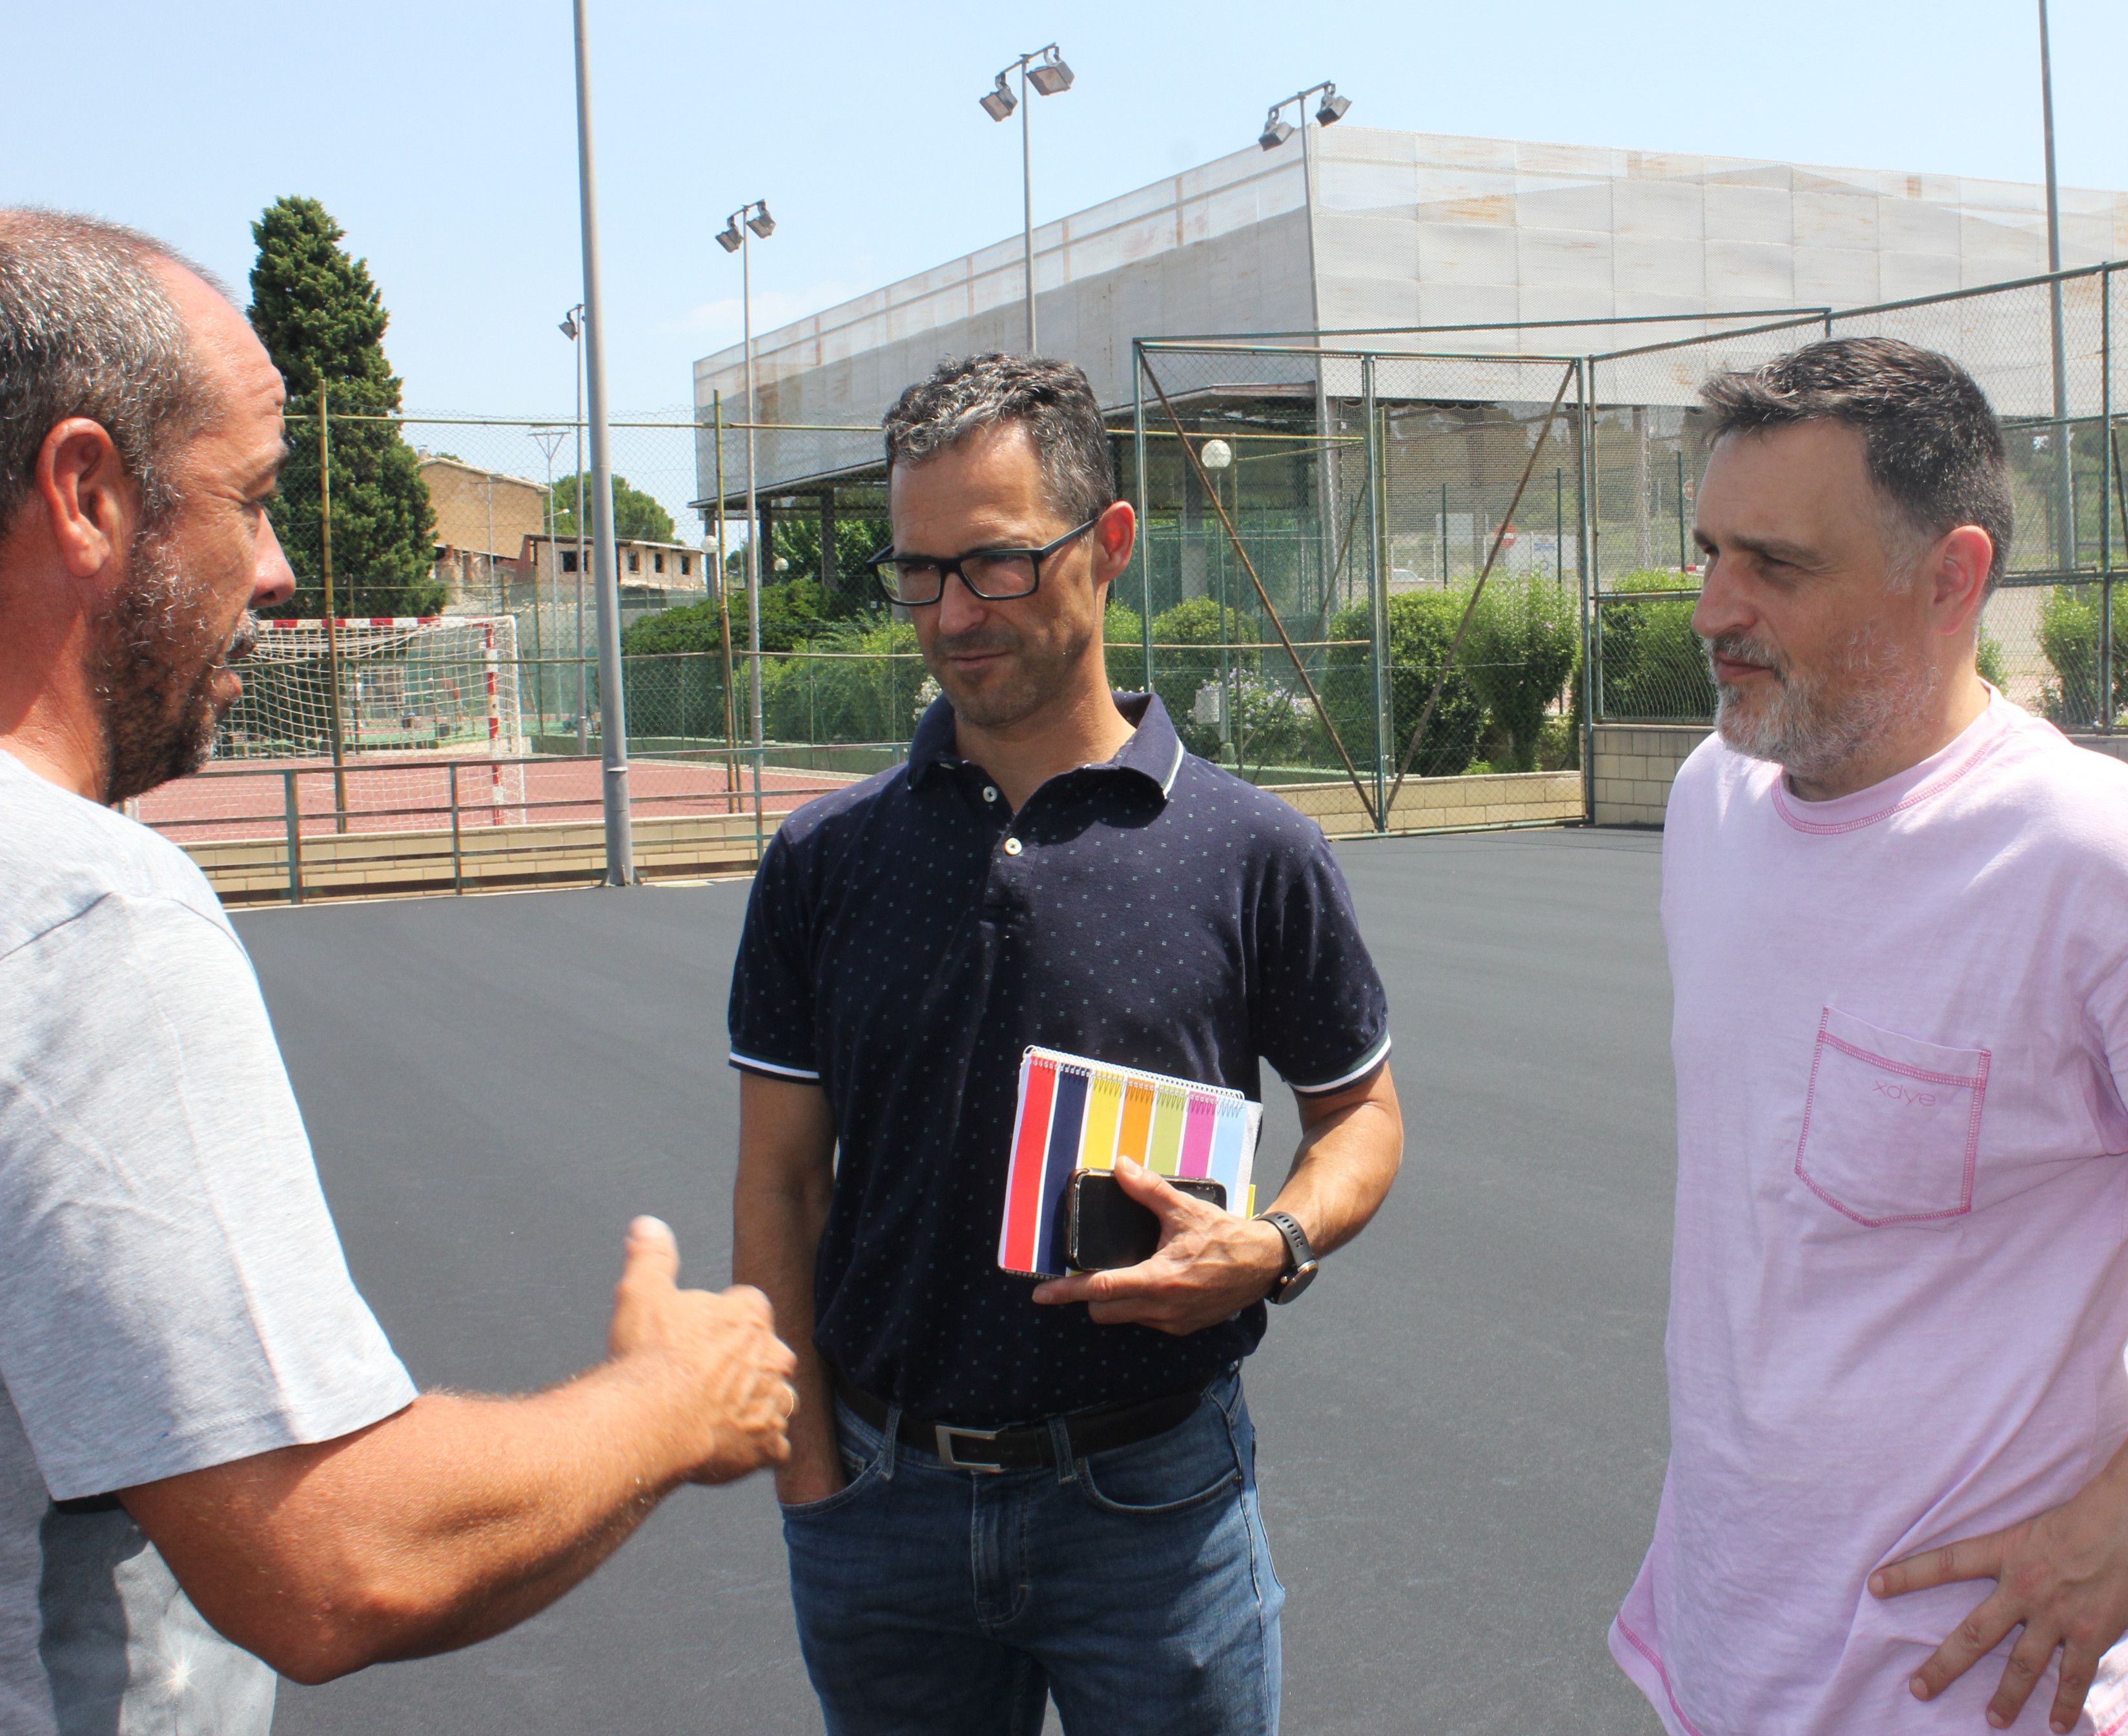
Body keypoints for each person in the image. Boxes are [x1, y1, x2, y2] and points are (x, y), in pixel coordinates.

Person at [0, 209, 799, 1735]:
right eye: (247, 500)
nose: (280, 567)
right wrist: (674, 1401)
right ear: (88, 493)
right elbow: (332, 1553)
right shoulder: (82, 919)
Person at [1609, 337, 2128, 1736]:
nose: (1710, 608)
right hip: (1724, 1648)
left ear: (1951, 579)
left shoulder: (2094, 863)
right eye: (1708, 551)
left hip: (1969, 1693)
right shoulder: (1713, 800)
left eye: (1775, 566)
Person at [729, 352, 1402, 1735]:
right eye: (917, 574)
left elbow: (1364, 1115)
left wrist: (1272, 1243)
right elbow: (781, 1184)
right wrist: (812, 1480)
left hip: (1154, 1505)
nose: (949, 615)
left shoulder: (1253, 851)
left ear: (1107, 547)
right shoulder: (823, 858)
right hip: (883, 1505)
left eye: (991, 566)